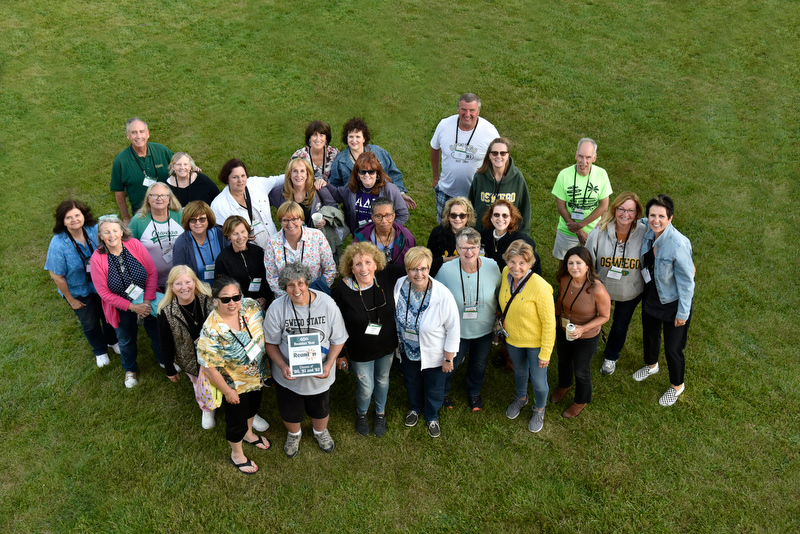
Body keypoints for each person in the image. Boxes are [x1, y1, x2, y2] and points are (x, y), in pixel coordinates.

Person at [263, 263, 348, 458]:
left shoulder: (327, 304)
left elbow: (339, 339)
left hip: (320, 375)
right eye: (290, 285)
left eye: (300, 283)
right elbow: (271, 343)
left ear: (308, 283)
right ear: (284, 287)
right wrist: (283, 366)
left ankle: (320, 432)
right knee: (289, 409)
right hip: (288, 377)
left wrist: (329, 364)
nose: (296, 289)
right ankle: (294, 434)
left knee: (321, 407)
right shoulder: (277, 308)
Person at [197, 277, 271, 475]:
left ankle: (249, 434)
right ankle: (237, 454)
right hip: (234, 384)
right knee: (236, 420)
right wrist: (227, 391)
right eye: (225, 299)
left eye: (236, 297)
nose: (232, 303)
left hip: (258, 376)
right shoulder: (211, 329)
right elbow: (209, 367)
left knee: (252, 408)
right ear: (214, 300)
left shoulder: (251, 307)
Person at [332, 242, 406, 437]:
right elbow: (335, 325)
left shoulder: (386, 276)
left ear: (376, 263)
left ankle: (380, 413)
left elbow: (416, 266)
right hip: (360, 351)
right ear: (350, 267)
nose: (364, 268)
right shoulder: (342, 290)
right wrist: (339, 354)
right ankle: (362, 413)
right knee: (366, 387)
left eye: (368, 262)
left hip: (387, 346)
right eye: (358, 264)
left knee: (383, 380)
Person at [394, 247, 460, 438]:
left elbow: (453, 328)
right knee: (411, 381)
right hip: (407, 349)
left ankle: (431, 415)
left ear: (429, 268)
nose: (419, 274)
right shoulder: (399, 285)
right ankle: (415, 408)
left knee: (434, 386)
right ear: (407, 270)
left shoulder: (443, 294)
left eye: (423, 268)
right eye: (414, 269)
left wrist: (448, 358)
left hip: (434, 353)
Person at [635, 194, 694, 407]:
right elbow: (636, 219)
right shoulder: (648, 229)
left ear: (670, 218)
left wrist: (682, 313)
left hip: (673, 302)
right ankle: (651, 365)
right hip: (652, 294)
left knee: (672, 348)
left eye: (661, 216)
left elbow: (687, 284)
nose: (656, 220)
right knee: (650, 336)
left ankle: (677, 385)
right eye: (652, 215)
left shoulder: (678, 244)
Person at [90, 215, 162, 387]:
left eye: (115, 230)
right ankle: (130, 369)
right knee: (126, 339)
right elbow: (104, 293)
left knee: (157, 332)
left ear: (122, 231)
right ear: (101, 235)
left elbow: (151, 272)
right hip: (120, 306)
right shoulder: (97, 258)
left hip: (146, 298)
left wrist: (145, 302)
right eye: (106, 232)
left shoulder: (134, 245)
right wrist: (133, 307)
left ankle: (164, 360)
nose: (112, 235)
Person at [45, 200, 118, 368]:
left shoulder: (95, 231)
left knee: (108, 315)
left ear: (84, 215)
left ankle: (112, 341)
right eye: (68, 217)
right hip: (77, 290)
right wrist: (71, 299)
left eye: (77, 215)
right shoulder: (58, 243)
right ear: (62, 221)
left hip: (101, 285)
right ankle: (100, 350)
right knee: (90, 322)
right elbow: (57, 276)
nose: (74, 220)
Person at [435, 228, 501, 411]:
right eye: (464, 248)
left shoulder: (492, 266)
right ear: (457, 248)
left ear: (480, 247)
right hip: (457, 331)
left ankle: (474, 393)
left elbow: (500, 292)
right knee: (452, 364)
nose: (469, 252)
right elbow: (437, 296)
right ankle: (443, 392)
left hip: (484, 329)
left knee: (479, 364)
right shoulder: (447, 270)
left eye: (473, 247)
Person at [585, 192, 647, 376]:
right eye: (621, 209)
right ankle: (588, 349)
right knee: (593, 320)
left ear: (637, 213)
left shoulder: (645, 232)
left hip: (631, 290)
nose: (625, 214)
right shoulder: (599, 230)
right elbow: (587, 260)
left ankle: (611, 357)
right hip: (602, 288)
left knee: (620, 325)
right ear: (615, 209)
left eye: (631, 211)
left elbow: (667, 230)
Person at [498, 240, 555, 433]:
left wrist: (545, 353)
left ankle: (540, 408)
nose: (516, 267)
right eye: (512, 261)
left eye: (522, 263)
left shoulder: (540, 287)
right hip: (513, 339)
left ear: (530, 264)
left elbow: (549, 324)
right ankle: (521, 398)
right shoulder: (506, 274)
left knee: (539, 381)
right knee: (520, 372)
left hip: (535, 344)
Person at [551, 246, 611, 418]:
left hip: (586, 335)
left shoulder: (597, 289)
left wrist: (583, 328)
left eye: (579, 263)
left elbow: (605, 316)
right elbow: (560, 301)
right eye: (571, 263)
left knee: (581, 369)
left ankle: (581, 400)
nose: (574, 267)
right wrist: (556, 320)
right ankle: (564, 385)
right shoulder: (564, 279)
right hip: (564, 329)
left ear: (588, 266)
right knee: (563, 360)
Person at [156, 266, 217, 429]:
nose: (184, 287)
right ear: (171, 287)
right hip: (190, 358)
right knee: (201, 384)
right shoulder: (166, 311)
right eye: (178, 284)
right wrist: (170, 368)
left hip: (215, 352)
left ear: (195, 282)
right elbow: (165, 342)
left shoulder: (208, 298)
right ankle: (207, 408)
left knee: (221, 378)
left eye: (188, 282)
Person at [430, 93, 500, 220]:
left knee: (472, 232)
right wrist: (435, 176)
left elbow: (500, 159)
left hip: (476, 194)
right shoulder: (444, 125)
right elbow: (434, 147)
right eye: (464, 110)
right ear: (458, 109)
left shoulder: (490, 132)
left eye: (472, 110)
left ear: (478, 111)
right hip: (446, 191)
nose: (467, 115)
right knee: (444, 229)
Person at [327, 117, 416, 209]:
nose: (354, 140)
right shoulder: (340, 160)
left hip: (382, 203)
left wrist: (401, 194)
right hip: (356, 207)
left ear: (364, 138)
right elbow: (335, 186)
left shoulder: (379, 152)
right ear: (346, 138)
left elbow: (393, 174)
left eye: (358, 136)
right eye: (351, 136)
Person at [552, 137, 613, 259]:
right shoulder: (564, 175)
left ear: (594, 158)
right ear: (575, 155)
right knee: (565, 264)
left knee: (590, 265)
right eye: (580, 156)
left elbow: (604, 206)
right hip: (567, 229)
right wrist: (578, 230)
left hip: (593, 231)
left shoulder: (601, 174)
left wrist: (581, 225)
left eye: (588, 157)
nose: (583, 161)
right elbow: (561, 207)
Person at [264, 201, 337, 297]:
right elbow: (272, 277)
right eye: (285, 220)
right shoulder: (272, 243)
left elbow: (330, 269)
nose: (290, 225)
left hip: (316, 294)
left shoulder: (317, 236)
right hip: (286, 298)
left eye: (294, 219)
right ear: (280, 221)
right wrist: (291, 297)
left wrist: (312, 294)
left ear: (302, 219)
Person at [325, 152, 408, 234]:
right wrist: (325, 183)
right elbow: (337, 196)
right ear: (357, 173)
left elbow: (403, 214)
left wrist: (386, 230)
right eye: (362, 171)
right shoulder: (351, 187)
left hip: (382, 238)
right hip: (359, 235)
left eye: (371, 171)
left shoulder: (389, 189)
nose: (367, 175)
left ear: (377, 173)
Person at [110, 117, 174, 225]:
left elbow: (179, 165)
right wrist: (126, 217)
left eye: (141, 131)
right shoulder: (121, 160)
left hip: (168, 208)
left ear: (148, 134)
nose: (138, 136)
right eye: (134, 133)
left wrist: (192, 166)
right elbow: (118, 190)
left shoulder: (161, 150)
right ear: (127, 135)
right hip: (141, 213)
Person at [210, 158, 283, 251]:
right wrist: (240, 237)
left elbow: (278, 179)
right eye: (235, 177)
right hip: (248, 253)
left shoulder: (256, 184)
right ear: (227, 179)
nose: (240, 180)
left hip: (275, 247)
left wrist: (300, 175)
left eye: (243, 175)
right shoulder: (218, 206)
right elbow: (223, 237)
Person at [469, 137, 531, 234]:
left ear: (508, 155)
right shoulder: (479, 177)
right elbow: (470, 205)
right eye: (494, 153)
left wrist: (524, 235)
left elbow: (525, 209)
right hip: (482, 234)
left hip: (509, 235)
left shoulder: (517, 178)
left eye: (503, 153)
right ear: (489, 155)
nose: (498, 156)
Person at [128, 182, 184, 289]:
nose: (159, 198)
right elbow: (128, 249)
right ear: (148, 199)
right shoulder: (138, 221)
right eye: (154, 195)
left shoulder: (180, 216)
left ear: (169, 199)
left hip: (180, 280)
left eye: (163, 195)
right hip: (150, 282)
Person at [215, 216, 272, 308]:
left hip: (262, 304)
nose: (240, 237)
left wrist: (265, 297)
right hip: (237, 307)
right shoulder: (223, 260)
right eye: (235, 234)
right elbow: (222, 289)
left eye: (243, 232)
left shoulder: (258, 252)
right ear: (228, 235)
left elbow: (268, 276)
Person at [269, 158, 337, 227]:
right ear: (289, 174)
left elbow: (334, 208)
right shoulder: (280, 192)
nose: (298, 175)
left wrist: (325, 219)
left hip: (315, 235)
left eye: (302, 171)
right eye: (295, 171)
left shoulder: (318, 188)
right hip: (291, 235)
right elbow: (262, 201)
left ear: (307, 174)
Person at [480, 198, 541, 274]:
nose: (500, 219)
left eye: (505, 215)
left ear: (511, 218)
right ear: (491, 217)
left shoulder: (521, 241)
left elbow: (535, 266)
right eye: (496, 215)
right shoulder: (483, 236)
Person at [353, 197, 416, 267]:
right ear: (373, 218)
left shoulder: (406, 237)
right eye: (379, 216)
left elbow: (413, 264)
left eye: (388, 215)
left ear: (394, 216)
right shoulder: (361, 237)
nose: (384, 221)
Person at [172, 201, 227, 283]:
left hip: (224, 288)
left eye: (202, 219)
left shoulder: (222, 235)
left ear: (208, 219)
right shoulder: (181, 243)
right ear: (187, 221)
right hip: (197, 291)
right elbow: (178, 275)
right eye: (193, 220)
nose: (198, 223)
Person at [426, 196, 475, 277]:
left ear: (468, 217)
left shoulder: (474, 235)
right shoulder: (437, 233)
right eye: (453, 215)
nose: (457, 219)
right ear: (448, 216)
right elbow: (427, 261)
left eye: (462, 215)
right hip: (440, 278)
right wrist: (445, 260)